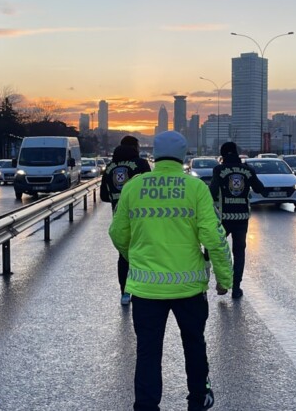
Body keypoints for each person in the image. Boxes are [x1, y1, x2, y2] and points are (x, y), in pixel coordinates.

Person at [109, 131, 233, 411]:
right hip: (188, 288)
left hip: (145, 289)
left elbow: (117, 233)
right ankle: (198, 399)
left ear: (154, 156)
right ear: (183, 155)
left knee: (148, 352)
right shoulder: (195, 188)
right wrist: (224, 280)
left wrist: (135, 258)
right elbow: (214, 237)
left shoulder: (134, 187)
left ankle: (146, 405)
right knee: (194, 345)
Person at [208, 142, 267, 299]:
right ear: (237, 152)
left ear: (222, 155)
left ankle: (221, 282)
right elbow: (260, 188)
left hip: (223, 218)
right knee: (239, 253)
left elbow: (212, 192)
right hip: (241, 218)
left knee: (215, 249)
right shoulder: (247, 170)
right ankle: (236, 288)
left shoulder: (219, 170)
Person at [100, 143, 151, 305]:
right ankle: (143, 289)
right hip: (141, 216)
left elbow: (103, 196)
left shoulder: (109, 168)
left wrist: (118, 199)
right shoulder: (141, 164)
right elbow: (149, 189)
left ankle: (125, 293)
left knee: (123, 255)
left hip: (119, 217)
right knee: (143, 251)